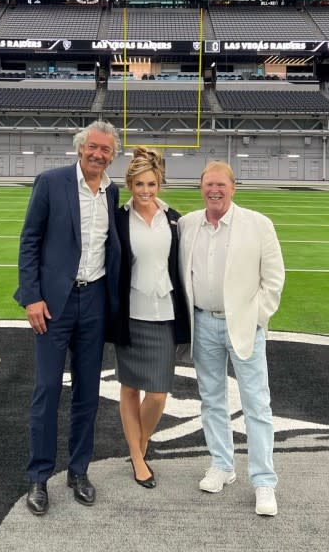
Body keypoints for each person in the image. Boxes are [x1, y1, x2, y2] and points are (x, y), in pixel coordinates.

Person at [15, 121, 121, 516]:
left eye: (105, 150)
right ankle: (39, 476)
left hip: (93, 300)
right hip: (54, 304)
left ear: (113, 154)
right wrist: (32, 297)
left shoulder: (112, 190)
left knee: (87, 393)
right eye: (93, 147)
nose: (98, 154)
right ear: (80, 148)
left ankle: (78, 471)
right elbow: (29, 241)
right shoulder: (52, 182)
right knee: (46, 390)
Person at [178, 161, 284, 517]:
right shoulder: (189, 224)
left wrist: (257, 318)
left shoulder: (258, 224)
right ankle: (222, 465)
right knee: (211, 400)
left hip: (243, 325)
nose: (215, 190)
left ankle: (264, 480)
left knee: (256, 404)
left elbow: (274, 279)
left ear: (233, 187)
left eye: (221, 184)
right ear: (201, 187)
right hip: (203, 323)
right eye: (209, 184)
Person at [114, 147, 190, 488]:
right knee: (130, 388)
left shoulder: (174, 218)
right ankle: (137, 457)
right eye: (139, 184)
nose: (145, 191)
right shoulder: (118, 218)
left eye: (152, 184)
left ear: (160, 184)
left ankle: (139, 446)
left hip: (164, 313)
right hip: (129, 314)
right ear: (130, 182)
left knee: (158, 395)